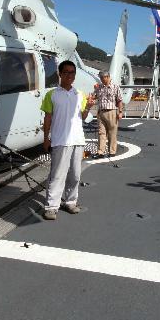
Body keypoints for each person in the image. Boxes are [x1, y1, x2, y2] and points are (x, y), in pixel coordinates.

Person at [41, 60, 89, 220]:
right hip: (60, 140)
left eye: (72, 72)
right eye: (66, 72)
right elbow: (47, 118)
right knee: (57, 175)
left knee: (75, 175)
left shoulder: (80, 94)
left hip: (78, 140)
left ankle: (70, 201)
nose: (70, 75)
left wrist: (88, 107)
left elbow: (82, 117)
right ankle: (51, 206)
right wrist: (46, 138)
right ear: (59, 74)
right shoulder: (52, 94)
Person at [90, 70, 123, 158]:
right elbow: (93, 97)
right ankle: (101, 152)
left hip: (111, 111)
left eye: (103, 78)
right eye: (100, 78)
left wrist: (120, 112)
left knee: (112, 132)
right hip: (101, 112)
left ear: (108, 77)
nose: (101, 80)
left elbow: (119, 100)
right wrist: (95, 89)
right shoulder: (99, 87)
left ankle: (112, 151)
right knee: (101, 132)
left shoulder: (115, 87)